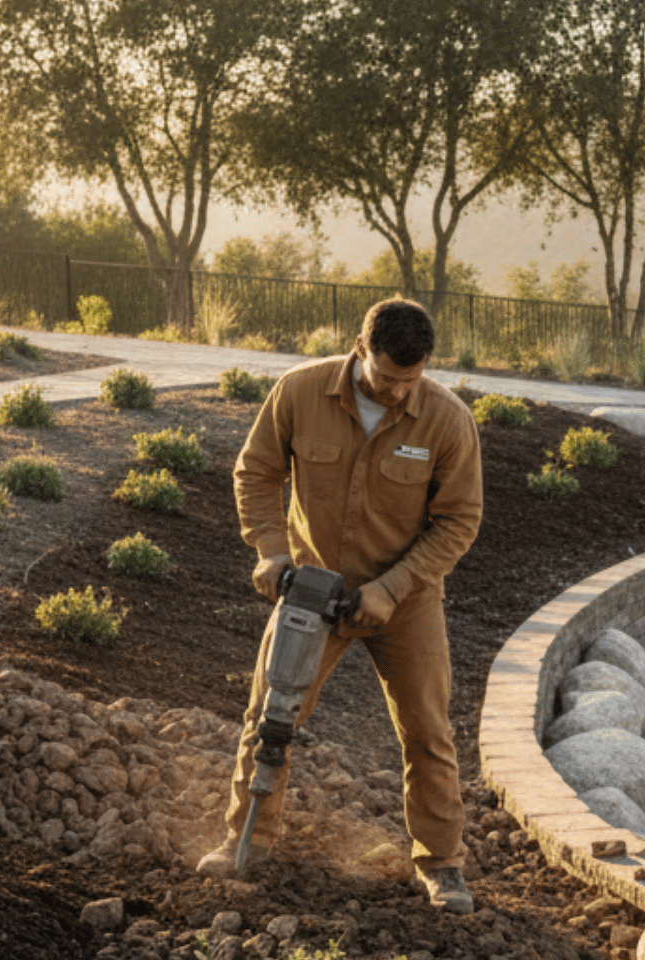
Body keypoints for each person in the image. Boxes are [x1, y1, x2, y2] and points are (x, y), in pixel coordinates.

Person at [196, 297, 484, 915]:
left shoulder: (446, 419)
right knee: (270, 717)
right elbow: (256, 472)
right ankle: (246, 841)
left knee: (428, 732)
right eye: (388, 377)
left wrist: (391, 588)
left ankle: (442, 864)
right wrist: (271, 552)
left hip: (406, 598)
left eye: (412, 379)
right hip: (312, 588)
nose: (400, 390)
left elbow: (459, 520)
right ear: (360, 349)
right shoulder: (300, 392)